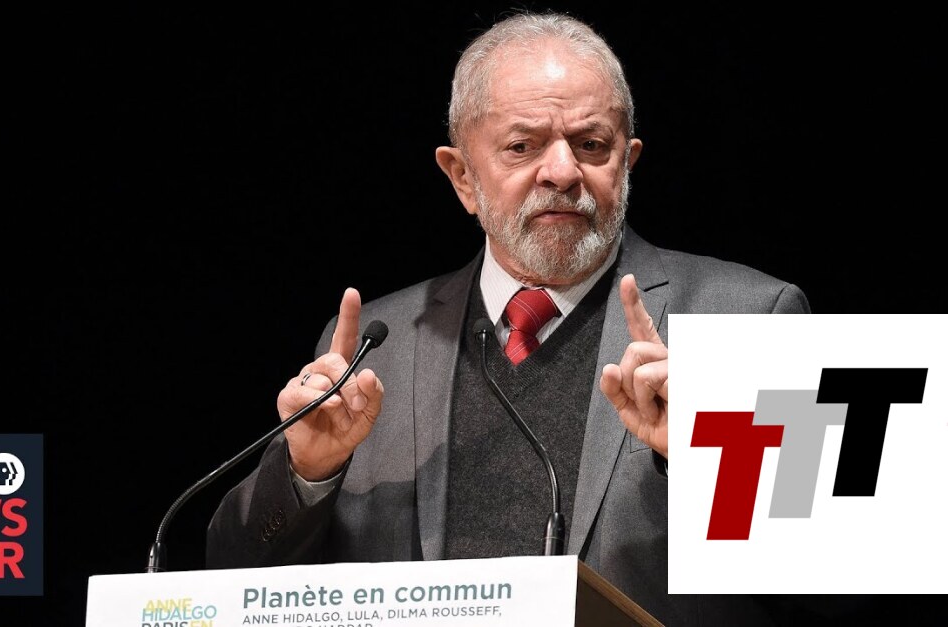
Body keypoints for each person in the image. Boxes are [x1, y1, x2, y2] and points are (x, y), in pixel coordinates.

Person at [205, 10, 819, 625]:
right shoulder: (375, 348)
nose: (563, 172)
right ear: (462, 178)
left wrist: (708, 463)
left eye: (592, 145)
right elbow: (230, 578)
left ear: (627, 162)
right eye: (522, 146)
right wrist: (307, 474)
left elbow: (829, 595)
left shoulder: (752, 319)